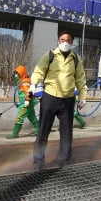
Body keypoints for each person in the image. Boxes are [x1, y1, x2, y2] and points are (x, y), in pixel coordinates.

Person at [30, 30, 86, 170]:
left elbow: (80, 79)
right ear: (58, 41)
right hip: (50, 97)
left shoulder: (76, 59)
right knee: (43, 130)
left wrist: (82, 97)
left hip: (68, 99)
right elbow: (39, 70)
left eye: (68, 41)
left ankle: (63, 160)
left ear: (72, 43)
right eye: (62, 40)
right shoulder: (50, 55)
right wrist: (33, 84)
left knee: (66, 131)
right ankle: (38, 161)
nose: (65, 43)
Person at [5, 65, 39, 139]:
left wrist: (27, 100)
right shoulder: (22, 82)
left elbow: (29, 92)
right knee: (32, 116)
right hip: (26, 103)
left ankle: (15, 133)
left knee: (19, 117)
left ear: (21, 73)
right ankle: (39, 130)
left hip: (26, 103)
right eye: (15, 74)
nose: (16, 75)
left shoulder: (25, 82)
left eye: (17, 74)